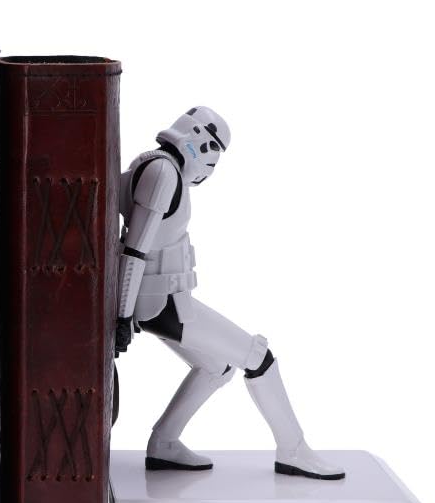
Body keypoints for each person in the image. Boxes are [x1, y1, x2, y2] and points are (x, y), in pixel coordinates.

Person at [115, 107, 344, 480]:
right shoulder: (162, 173)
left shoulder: (153, 164)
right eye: (214, 153)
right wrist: (123, 316)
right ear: (200, 141)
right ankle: (293, 450)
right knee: (258, 357)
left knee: (216, 366)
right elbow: (135, 251)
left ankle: (165, 443)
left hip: (163, 299)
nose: (211, 166)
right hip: (160, 303)